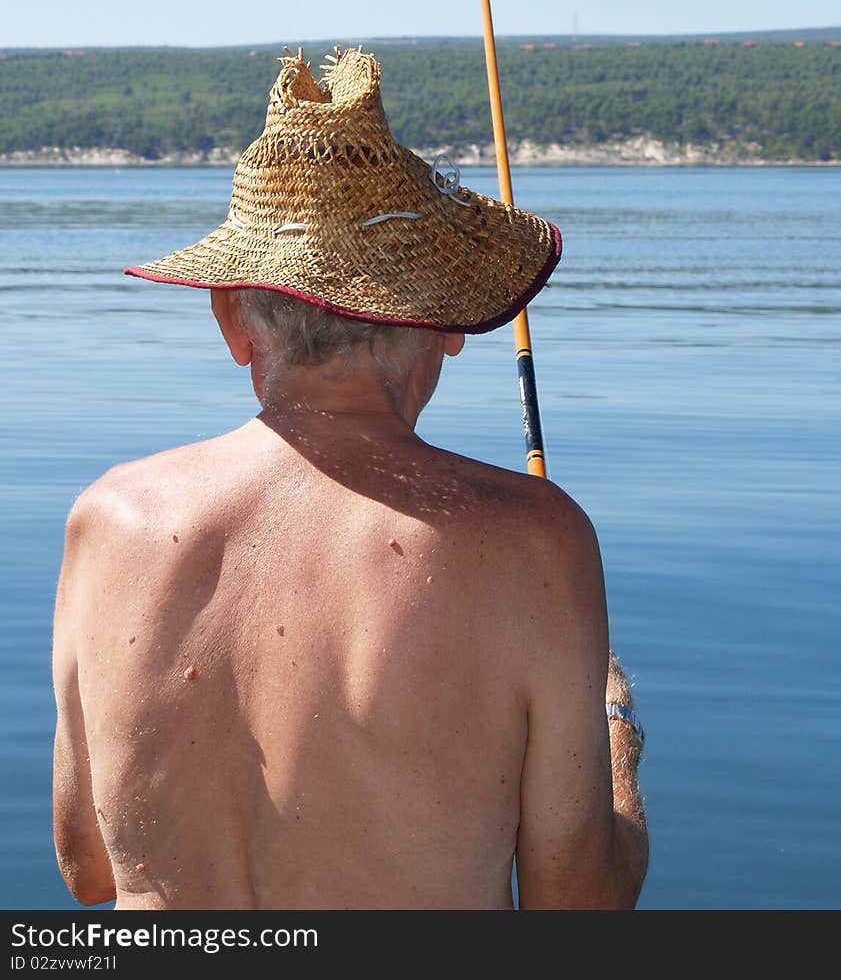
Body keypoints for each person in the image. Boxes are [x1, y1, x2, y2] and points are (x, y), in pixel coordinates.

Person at [52, 47, 648, 910]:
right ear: (447, 319)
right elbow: (576, 906)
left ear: (233, 318)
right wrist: (616, 741)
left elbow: (88, 867)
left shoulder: (106, 523)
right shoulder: (536, 542)